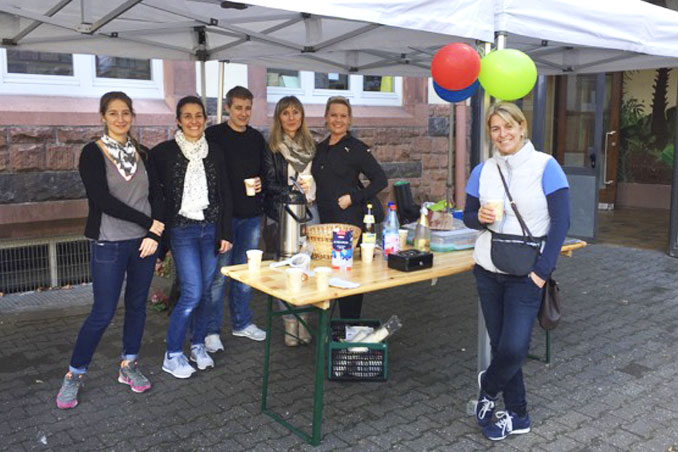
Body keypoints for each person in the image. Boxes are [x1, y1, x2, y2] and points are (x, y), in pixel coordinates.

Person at [463, 102, 570, 441]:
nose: (502, 134)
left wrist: (542, 271)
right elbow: (466, 216)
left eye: (508, 126)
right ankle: (519, 415)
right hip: (488, 269)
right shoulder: (483, 170)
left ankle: (487, 390)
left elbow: (561, 223)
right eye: (495, 128)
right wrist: (478, 216)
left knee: (514, 348)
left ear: (523, 128)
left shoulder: (546, 166)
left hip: (527, 273)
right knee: (500, 344)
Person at [56, 91, 164, 409]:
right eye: (113, 113)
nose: (120, 118)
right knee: (102, 313)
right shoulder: (92, 152)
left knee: (137, 306)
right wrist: (149, 223)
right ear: (103, 116)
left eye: (126, 112)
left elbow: (157, 194)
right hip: (110, 242)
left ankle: (129, 365)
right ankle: (74, 375)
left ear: (132, 116)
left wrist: (155, 232)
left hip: (144, 243)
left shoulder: (143, 152)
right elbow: (102, 199)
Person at [151, 96, 233, 379]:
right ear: (178, 120)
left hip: (210, 229)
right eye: (188, 116)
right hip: (182, 231)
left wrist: (225, 232)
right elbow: (156, 196)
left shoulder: (217, 152)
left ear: (205, 119)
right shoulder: (163, 153)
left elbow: (224, 195)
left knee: (208, 292)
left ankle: (198, 344)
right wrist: (160, 241)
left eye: (199, 115)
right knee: (192, 292)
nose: (194, 121)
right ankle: (172, 354)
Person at [312, 96, 387, 319]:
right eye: (333, 115)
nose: (338, 120)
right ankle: (339, 330)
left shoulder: (355, 148)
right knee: (333, 277)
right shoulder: (320, 148)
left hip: (349, 224)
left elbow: (380, 180)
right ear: (326, 118)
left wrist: (353, 197)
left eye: (343, 116)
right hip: (326, 223)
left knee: (349, 279)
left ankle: (349, 327)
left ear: (350, 120)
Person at [204, 86, 267, 350]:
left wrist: (260, 183)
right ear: (228, 107)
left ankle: (242, 323)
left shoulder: (256, 138)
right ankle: (211, 331)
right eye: (238, 107)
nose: (243, 113)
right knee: (220, 276)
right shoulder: (214, 135)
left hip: (251, 216)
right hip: (223, 219)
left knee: (245, 273)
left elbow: (264, 171)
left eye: (248, 108)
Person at [263, 96, 318, 346]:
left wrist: (310, 189)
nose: (291, 117)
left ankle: (303, 318)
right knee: (286, 269)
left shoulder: (311, 145)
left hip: (309, 212)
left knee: (306, 267)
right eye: (285, 113)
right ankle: (289, 323)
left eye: (296, 112)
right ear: (278, 117)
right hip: (283, 214)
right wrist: (292, 192)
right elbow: (269, 182)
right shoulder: (273, 146)